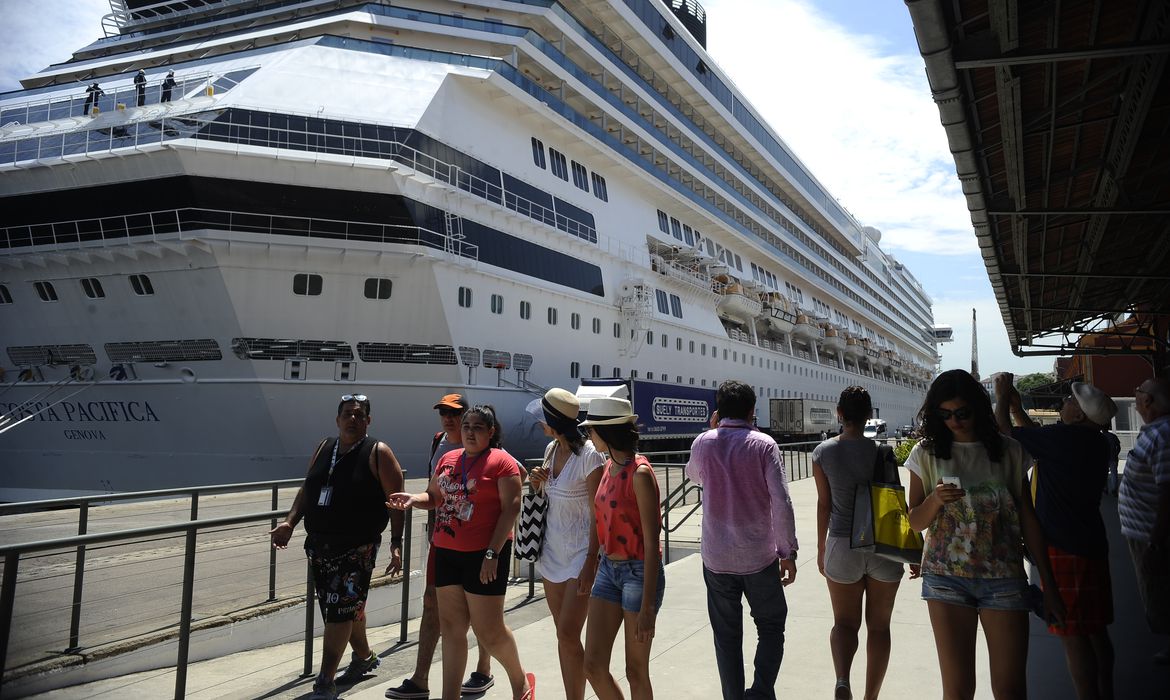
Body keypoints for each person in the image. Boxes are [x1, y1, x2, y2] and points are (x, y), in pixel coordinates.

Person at [905, 369, 1064, 700]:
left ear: (977, 406)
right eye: (945, 415)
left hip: (1003, 577)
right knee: (958, 690)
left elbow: (1028, 519)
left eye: (962, 413)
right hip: (945, 579)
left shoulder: (1009, 451)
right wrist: (934, 500)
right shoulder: (925, 453)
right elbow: (915, 521)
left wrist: (1048, 583)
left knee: (1009, 690)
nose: (955, 421)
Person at [388, 405, 535, 700]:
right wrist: (412, 498)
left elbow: (512, 509)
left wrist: (493, 553)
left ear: (490, 433)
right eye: (466, 426)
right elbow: (434, 496)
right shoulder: (448, 458)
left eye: (478, 427)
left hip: (484, 555)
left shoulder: (502, 462)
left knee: (489, 632)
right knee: (452, 630)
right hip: (446, 552)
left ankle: (521, 683)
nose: (469, 431)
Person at [269, 394, 405, 700]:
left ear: (368, 421)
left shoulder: (378, 452)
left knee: (339, 614)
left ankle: (325, 682)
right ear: (337, 419)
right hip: (319, 547)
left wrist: (397, 544)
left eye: (359, 414)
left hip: (356, 549)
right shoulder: (324, 447)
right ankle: (364, 658)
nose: (352, 419)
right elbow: (308, 487)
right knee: (344, 608)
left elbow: (396, 502)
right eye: (347, 414)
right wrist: (290, 522)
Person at [995, 376, 1118, 699]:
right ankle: (1106, 692)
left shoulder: (1065, 439)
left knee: (1071, 632)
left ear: (1078, 416)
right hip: (1091, 542)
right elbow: (1039, 440)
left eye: (1070, 401)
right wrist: (1018, 409)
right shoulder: (1097, 442)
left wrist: (1001, 396)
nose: (1065, 402)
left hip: (1064, 548)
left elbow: (1004, 436)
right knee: (1095, 630)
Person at [687, 381, 798, 700]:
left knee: (726, 636)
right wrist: (787, 550)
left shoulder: (704, 442)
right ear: (752, 412)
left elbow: (693, 475)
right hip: (759, 557)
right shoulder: (764, 445)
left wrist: (711, 431)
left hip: (717, 559)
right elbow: (782, 500)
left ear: (718, 411)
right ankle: (761, 692)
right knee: (772, 626)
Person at [385, 394, 494, 699]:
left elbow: (507, 484)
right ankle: (420, 679)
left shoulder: (482, 445)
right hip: (442, 540)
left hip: (475, 543)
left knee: (480, 610)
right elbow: (434, 492)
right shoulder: (439, 443)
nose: (449, 418)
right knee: (431, 603)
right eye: (443, 413)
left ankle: (484, 669)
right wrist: (414, 500)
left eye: (454, 413)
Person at [812, 386, 916, 700]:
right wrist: (911, 548)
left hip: (843, 544)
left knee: (844, 624)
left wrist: (821, 549)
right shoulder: (882, 452)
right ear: (870, 415)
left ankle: (843, 680)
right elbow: (898, 504)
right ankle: (871, 697)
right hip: (883, 546)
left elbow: (824, 506)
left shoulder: (823, 452)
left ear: (839, 414)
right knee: (880, 628)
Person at [579, 397, 663, 700]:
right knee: (593, 665)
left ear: (608, 432)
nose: (588, 436)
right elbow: (597, 518)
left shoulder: (639, 474)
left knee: (635, 671)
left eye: (592, 430)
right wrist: (591, 563)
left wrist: (648, 606)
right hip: (607, 570)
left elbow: (653, 543)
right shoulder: (606, 467)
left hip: (638, 573)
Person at [526, 388, 604, 700]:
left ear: (554, 421)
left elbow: (600, 512)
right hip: (551, 553)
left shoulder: (590, 457)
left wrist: (591, 562)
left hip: (579, 556)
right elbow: (546, 497)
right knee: (564, 636)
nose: (539, 423)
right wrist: (536, 482)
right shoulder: (550, 449)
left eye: (543, 418)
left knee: (568, 633)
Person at [1120, 377, 1170, 665]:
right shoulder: (1155, 432)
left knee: (1162, 593)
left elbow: (1168, 490)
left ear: (1148, 401)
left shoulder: (1164, 435)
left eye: (1137, 392)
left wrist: (1155, 541)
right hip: (1145, 532)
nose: (1134, 396)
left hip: (1153, 536)